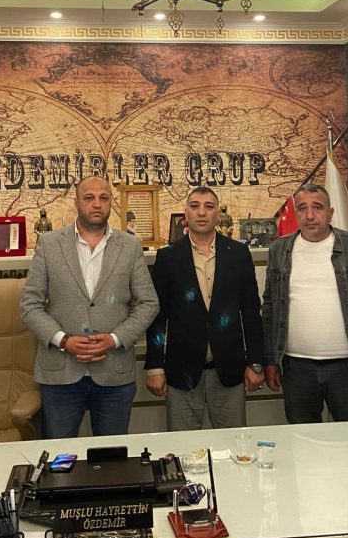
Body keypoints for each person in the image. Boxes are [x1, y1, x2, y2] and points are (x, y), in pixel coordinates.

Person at [19, 175, 159, 438]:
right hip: (60, 374)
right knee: (60, 458)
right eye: (89, 198)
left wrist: (116, 339)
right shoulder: (49, 244)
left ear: (111, 203)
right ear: (76, 203)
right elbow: (29, 305)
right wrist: (63, 341)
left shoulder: (130, 246)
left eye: (103, 198)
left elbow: (148, 303)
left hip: (114, 373)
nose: (97, 204)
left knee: (111, 456)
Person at [262, 183, 348, 423]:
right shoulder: (279, 249)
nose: (310, 215)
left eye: (318, 207)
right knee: (303, 438)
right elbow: (270, 307)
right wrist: (270, 360)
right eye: (302, 208)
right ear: (295, 213)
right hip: (296, 369)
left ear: (330, 213)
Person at [145, 186, 264, 429]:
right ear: (185, 213)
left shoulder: (238, 254)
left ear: (217, 213)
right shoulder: (168, 257)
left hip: (230, 370)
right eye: (195, 206)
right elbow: (158, 316)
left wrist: (256, 362)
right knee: (183, 446)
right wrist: (154, 367)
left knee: (233, 443)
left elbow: (251, 312)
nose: (201, 212)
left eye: (209, 207)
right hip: (181, 372)